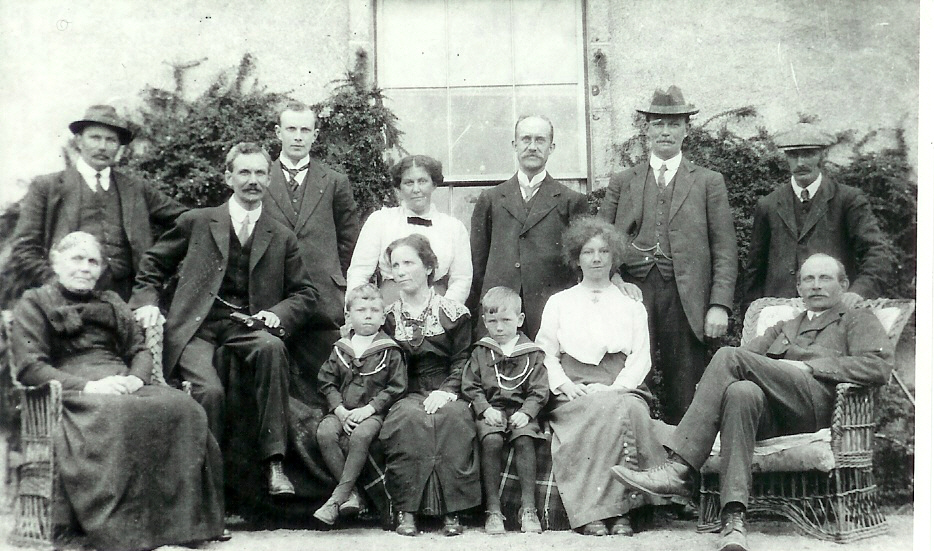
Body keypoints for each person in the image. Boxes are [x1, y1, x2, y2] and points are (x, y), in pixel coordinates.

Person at [610, 253, 893, 551]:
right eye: (808, 279)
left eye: (825, 278)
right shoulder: (784, 327)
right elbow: (742, 363)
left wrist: (811, 367)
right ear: (798, 287)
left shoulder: (856, 319)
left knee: (728, 356)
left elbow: (878, 366)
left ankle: (680, 468)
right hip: (776, 417)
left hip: (819, 407)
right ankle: (733, 518)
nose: (816, 285)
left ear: (843, 285)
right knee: (740, 393)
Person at [10, 232, 224, 551]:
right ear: (56, 261)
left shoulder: (110, 301)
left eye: (92, 261)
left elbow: (138, 349)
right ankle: (119, 530)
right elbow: (30, 366)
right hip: (73, 390)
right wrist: (90, 386)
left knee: (185, 408)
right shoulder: (36, 302)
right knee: (117, 412)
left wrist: (137, 378)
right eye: (77, 259)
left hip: (121, 380)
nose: (85, 268)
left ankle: (182, 526)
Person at [130, 142, 318, 497]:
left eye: (260, 173)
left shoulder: (281, 235)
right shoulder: (197, 221)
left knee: (272, 348)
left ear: (270, 179)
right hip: (197, 327)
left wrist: (275, 314)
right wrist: (146, 302)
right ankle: (207, 481)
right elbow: (153, 264)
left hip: (246, 325)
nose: (252, 180)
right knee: (209, 391)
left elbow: (305, 293)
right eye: (244, 172)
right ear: (228, 177)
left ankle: (274, 464)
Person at [599, 86, 738, 424]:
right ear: (646, 129)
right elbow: (599, 239)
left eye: (674, 124)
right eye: (658, 124)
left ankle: (683, 456)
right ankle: (634, 452)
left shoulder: (708, 182)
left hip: (685, 296)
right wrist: (613, 278)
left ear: (686, 130)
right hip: (632, 293)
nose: (665, 131)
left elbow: (724, 248)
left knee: (685, 389)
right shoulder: (623, 181)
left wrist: (719, 305)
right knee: (630, 382)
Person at [535, 216, 672, 536]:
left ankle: (622, 512)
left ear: (614, 257)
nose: (596, 258)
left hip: (621, 384)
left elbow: (641, 356)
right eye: (588, 252)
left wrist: (617, 387)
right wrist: (564, 385)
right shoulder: (559, 302)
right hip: (574, 388)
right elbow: (545, 353)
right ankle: (596, 513)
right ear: (576, 258)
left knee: (627, 408)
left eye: (603, 251)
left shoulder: (631, 303)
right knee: (601, 410)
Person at [4, 104, 186, 305]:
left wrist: (157, 262)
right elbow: (24, 248)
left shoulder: (136, 188)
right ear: (78, 141)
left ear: (119, 146)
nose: (102, 147)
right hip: (64, 299)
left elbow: (187, 219)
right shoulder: (47, 187)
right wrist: (57, 283)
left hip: (126, 299)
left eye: (111, 140)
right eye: (95, 138)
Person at [378, 234, 481, 536]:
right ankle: (407, 510)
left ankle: (453, 511)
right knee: (408, 418)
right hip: (405, 390)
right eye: (396, 265)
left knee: (453, 418)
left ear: (428, 267)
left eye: (408, 263)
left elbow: (463, 359)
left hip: (448, 388)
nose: (401, 271)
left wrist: (447, 391)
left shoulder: (454, 313)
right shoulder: (387, 317)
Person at [741, 122, 890, 314]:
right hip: (780, 313)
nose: (800, 163)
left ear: (823, 155)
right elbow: (755, 270)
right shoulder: (768, 204)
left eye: (808, 154)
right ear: (785, 157)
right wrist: (752, 315)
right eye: (793, 155)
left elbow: (876, 252)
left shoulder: (847, 200)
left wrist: (858, 291)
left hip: (834, 311)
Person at [264, 101, 361, 392]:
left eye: (305, 130)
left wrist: (334, 278)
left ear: (315, 135)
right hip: (274, 295)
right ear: (278, 132)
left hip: (323, 299)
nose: (298, 136)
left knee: (327, 382)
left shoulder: (334, 181)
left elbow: (349, 240)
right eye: (291, 129)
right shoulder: (261, 179)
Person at [469, 115, 589, 338]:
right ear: (514, 145)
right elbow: (478, 264)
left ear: (551, 147)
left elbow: (579, 265)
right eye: (526, 139)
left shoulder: (571, 201)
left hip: (549, 312)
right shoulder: (491, 199)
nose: (532, 146)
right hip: (499, 312)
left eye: (540, 140)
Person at [313, 283, 406, 525]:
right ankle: (352, 494)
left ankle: (336, 500)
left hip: (373, 413)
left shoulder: (389, 350)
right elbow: (326, 382)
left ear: (383, 317)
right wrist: (339, 410)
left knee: (360, 436)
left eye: (374, 311)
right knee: (325, 432)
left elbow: (396, 387)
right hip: (343, 410)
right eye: (361, 310)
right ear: (348, 316)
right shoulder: (341, 349)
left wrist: (369, 409)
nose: (368, 315)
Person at [461, 286, 549, 534]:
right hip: (492, 410)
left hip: (521, 411)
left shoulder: (532, 353)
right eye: (492, 321)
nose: (499, 327)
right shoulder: (481, 351)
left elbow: (540, 389)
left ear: (520, 320)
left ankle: (528, 509)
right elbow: (470, 385)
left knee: (524, 439)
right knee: (491, 440)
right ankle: (492, 510)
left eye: (506, 320)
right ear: (484, 321)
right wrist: (484, 408)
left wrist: (527, 412)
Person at [347, 155, 471, 305]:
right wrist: (357, 309)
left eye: (422, 181)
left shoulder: (453, 228)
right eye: (408, 183)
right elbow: (359, 272)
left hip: (438, 304)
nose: (416, 189)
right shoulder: (380, 220)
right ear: (399, 187)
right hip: (389, 305)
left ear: (434, 184)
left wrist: (444, 310)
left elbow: (461, 279)